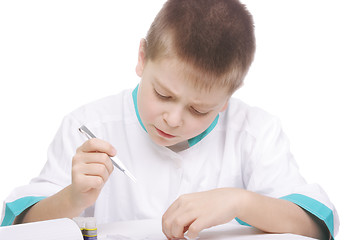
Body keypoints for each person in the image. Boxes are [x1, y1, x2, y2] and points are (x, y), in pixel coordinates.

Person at [1, 0, 339, 239]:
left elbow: (314, 226)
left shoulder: (255, 132)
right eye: (163, 94)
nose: (174, 119)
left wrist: (239, 201)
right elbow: (17, 228)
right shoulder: (91, 123)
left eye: (199, 110)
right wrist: (73, 197)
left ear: (227, 99)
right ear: (142, 58)